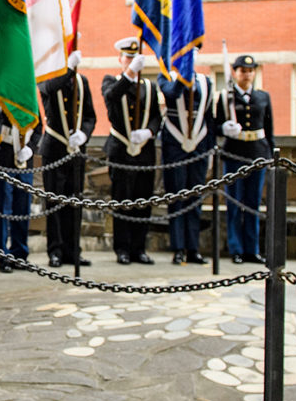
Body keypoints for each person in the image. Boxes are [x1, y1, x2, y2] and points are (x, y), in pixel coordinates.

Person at [101, 37, 161, 265]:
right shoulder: (111, 82)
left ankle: (139, 248)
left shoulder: (149, 87)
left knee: (143, 201)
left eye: (135, 58)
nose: (131, 61)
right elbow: (111, 97)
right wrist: (129, 76)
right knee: (122, 200)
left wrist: (149, 131)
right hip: (121, 150)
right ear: (120, 60)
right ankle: (122, 248)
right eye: (127, 57)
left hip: (144, 151)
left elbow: (157, 116)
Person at [38, 50, 96, 268]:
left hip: (76, 150)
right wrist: (68, 70)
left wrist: (84, 133)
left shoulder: (82, 82)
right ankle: (55, 250)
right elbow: (48, 89)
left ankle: (73, 250)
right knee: (54, 201)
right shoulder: (47, 76)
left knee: (75, 201)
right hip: (54, 148)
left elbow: (90, 115)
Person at [215, 54, 274, 264]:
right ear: (235, 72)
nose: (246, 75)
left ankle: (252, 249)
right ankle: (236, 248)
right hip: (234, 154)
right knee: (234, 203)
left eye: (250, 71)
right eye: (242, 71)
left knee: (253, 204)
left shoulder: (263, 97)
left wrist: (271, 154)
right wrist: (224, 128)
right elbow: (214, 125)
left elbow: (268, 129)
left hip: (257, 154)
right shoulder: (225, 98)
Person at [159, 59, 217, 265]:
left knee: (195, 199)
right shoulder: (166, 77)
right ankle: (178, 248)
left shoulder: (205, 82)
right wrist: (184, 76)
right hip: (175, 145)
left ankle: (193, 248)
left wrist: (210, 149)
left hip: (198, 145)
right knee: (176, 198)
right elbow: (172, 93)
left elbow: (209, 116)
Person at [0, 114, 40, 272]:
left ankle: (20, 254)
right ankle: (2, 255)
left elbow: (37, 126)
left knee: (22, 207)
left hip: (25, 156)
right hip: (4, 152)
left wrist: (31, 148)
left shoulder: (28, 92)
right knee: (2, 208)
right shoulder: (3, 91)